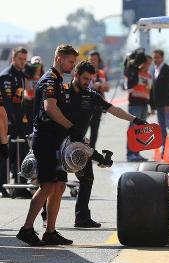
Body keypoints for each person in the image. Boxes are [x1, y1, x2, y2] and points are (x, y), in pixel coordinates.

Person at [41, 61, 148, 228]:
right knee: (51, 183)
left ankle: (82, 217)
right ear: (75, 75)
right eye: (85, 78)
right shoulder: (61, 91)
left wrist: (135, 120)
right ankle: (46, 216)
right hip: (57, 142)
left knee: (87, 179)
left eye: (90, 79)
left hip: (78, 146)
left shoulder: (92, 95)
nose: (87, 82)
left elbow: (113, 110)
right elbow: (48, 109)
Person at [16, 44, 80, 246]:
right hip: (46, 140)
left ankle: (50, 231)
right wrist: (71, 127)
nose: (72, 66)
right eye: (70, 61)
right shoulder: (49, 80)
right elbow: (50, 108)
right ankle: (26, 229)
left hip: (57, 140)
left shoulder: (60, 81)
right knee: (47, 186)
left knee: (59, 186)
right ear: (59, 58)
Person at [0, 47, 29, 197]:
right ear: (13, 58)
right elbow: (7, 104)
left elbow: (21, 102)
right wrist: (14, 123)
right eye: (20, 59)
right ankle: (3, 187)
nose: (23, 62)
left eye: (25, 59)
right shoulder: (6, 76)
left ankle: (20, 186)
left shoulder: (21, 75)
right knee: (6, 155)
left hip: (19, 122)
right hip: (8, 123)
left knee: (21, 153)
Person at [150, 49, 169, 159]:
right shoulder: (155, 70)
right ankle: (164, 150)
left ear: (162, 57)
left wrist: (167, 104)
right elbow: (153, 90)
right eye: (154, 57)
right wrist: (152, 106)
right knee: (162, 128)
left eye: (157, 57)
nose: (155, 59)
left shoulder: (168, 70)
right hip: (158, 105)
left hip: (168, 104)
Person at [127, 55, 152, 162]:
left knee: (141, 131)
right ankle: (130, 153)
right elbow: (129, 85)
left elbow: (150, 91)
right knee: (133, 129)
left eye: (150, 63)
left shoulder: (149, 76)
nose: (148, 65)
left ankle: (137, 153)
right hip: (135, 104)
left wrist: (152, 107)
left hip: (144, 105)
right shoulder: (134, 73)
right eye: (146, 62)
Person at [87, 51, 109, 149]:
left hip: (98, 105)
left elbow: (107, 88)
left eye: (95, 60)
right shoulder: (84, 72)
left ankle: (92, 150)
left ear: (98, 61)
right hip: (86, 105)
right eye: (91, 60)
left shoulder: (102, 73)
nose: (93, 62)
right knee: (82, 128)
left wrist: (100, 85)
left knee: (94, 130)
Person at [24, 56, 44, 134]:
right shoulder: (28, 77)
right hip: (30, 103)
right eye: (34, 65)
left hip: (39, 103)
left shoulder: (43, 77)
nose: (36, 67)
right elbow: (27, 90)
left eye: (38, 65)